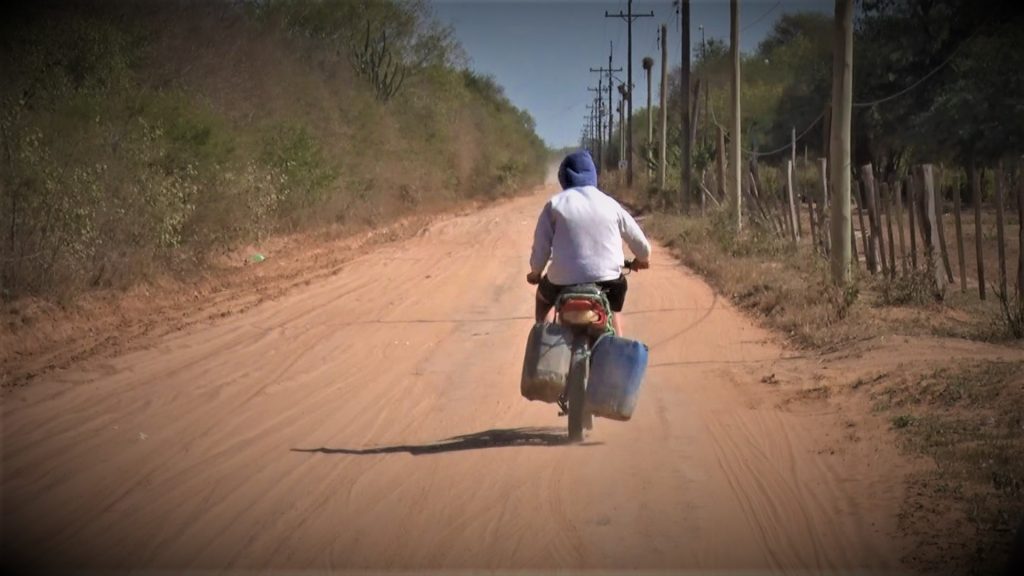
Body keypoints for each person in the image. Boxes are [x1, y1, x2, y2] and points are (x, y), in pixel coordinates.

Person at [526, 150, 651, 336]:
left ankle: (542, 340)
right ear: (593, 175)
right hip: (608, 281)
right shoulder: (610, 204)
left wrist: (535, 273)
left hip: (562, 282)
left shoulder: (554, 204)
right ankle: (615, 344)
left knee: (543, 299)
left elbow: (541, 249)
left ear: (563, 177)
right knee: (613, 307)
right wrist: (641, 260)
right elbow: (642, 246)